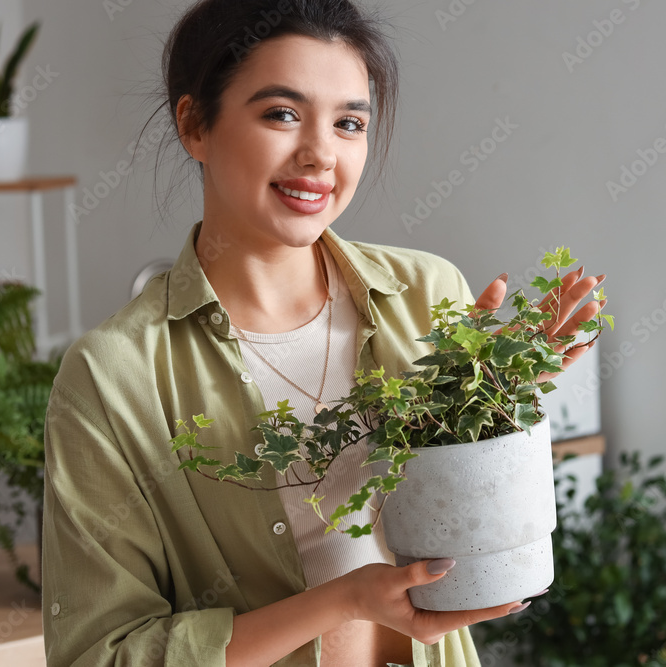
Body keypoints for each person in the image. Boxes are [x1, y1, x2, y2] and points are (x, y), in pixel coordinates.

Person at [40, 1, 606, 665]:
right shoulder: (112, 377)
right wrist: (345, 599)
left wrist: (503, 389)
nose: (320, 155)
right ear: (195, 124)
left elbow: (482, 547)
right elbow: (98, 655)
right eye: (282, 113)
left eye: (349, 122)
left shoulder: (428, 296)